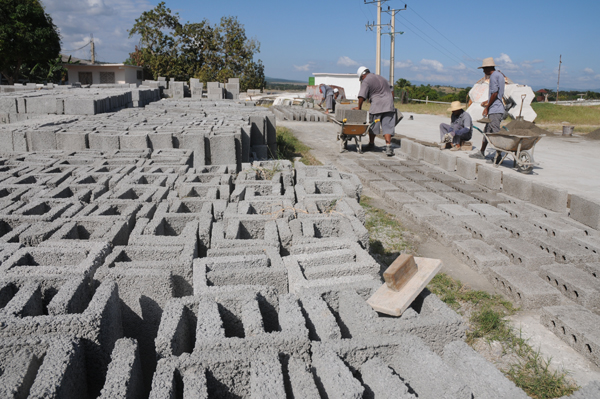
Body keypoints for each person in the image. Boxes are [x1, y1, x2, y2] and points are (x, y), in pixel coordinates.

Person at [353, 66, 396, 156]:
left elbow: (361, 96)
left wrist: (359, 107)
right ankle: (388, 147)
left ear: (362, 76)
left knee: (373, 126)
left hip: (377, 105)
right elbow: (392, 90)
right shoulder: (381, 78)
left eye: (361, 79)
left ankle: (371, 144)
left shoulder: (366, 80)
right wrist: (390, 102)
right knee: (387, 126)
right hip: (389, 105)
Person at [470, 57, 505, 160]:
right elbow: (497, 93)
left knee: (495, 133)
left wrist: (487, 107)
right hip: (495, 107)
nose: (483, 71)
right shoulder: (499, 75)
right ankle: (481, 152)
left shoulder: (494, 76)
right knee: (486, 131)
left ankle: (498, 157)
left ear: (488, 68)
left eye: (484, 68)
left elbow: (494, 93)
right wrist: (488, 101)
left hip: (495, 110)